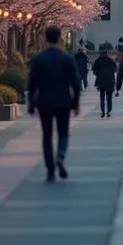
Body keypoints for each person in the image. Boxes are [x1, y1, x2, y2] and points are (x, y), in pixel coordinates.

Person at [27, 25, 80, 181]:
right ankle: (61, 155)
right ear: (59, 38)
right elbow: (75, 83)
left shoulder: (38, 58)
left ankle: (50, 169)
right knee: (63, 133)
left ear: (45, 38)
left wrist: (31, 103)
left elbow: (32, 83)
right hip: (63, 101)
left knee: (47, 135)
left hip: (44, 102)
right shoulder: (67, 58)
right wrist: (76, 103)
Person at [91, 46, 117, 118]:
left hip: (101, 81)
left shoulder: (98, 61)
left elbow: (93, 70)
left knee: (102, 96)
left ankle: (102, 111)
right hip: (109, 81)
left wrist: (98, 74)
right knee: (109, 97)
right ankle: (109, 110)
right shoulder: (111, 61)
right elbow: (115, 69)